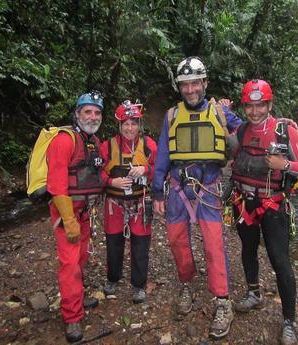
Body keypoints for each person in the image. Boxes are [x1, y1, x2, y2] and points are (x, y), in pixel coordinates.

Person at [152, 56, 242, 340]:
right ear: (179, 87)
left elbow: (250, 132)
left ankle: (223, 300)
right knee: (178, 241)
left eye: (195, 84)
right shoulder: (171, 116)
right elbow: (163, 155)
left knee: (214, 245)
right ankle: (187, 283)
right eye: (184, 85)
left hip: (209, 188)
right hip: (178, 188)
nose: (190, 90)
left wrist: (279, 125)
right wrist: (157, 190)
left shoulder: (220, 113)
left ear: (205, 83)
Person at [230, 79, 298, 345]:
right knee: (247, 249)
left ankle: (289, 321)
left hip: (274, 205)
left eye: (260, 105)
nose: (255, 111)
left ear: (269, 104)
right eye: (250, 106)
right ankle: (253, 293)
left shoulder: (285, 131)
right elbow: (223, 138)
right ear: (244, 107)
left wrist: (284, 163)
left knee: (280, 260)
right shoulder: (241, 130)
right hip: (244, 202)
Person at [46, 91, 105, 343]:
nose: (92, 116)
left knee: (80, 260)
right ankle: (72, 317)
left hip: (86, 213)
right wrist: (68, 220)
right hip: (68, 214)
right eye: (87, 112)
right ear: (77, 113)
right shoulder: (64, 141)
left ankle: (77, 299)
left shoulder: (94, 140)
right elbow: (57, 186)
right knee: (70, 265)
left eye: (97, 112)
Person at [99, 100, 157, 303]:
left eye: (134, 123)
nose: (130, 128)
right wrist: (111, 181)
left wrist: (146, 169)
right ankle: (113, 279)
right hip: (114, 203)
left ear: (139, 125)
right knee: (113, 242)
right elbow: (96, 174)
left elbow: (160, 170)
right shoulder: (108, 146)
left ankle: (139, 285)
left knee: (141, 244)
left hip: (141, 202)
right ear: (119, 125)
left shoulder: (148, 145)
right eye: (126, 123)